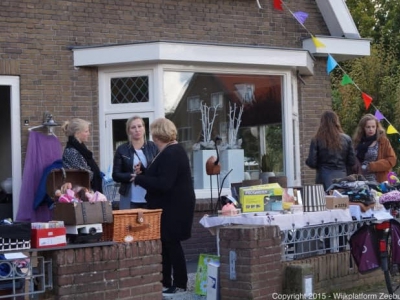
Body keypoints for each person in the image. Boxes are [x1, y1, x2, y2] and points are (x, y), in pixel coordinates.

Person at [133, 118, 195, 297]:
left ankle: (180, 283)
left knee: (171, 242)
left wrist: (139, 179)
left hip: (175, 206)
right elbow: (162, 176)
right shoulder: (170, 151)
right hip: (171, 204)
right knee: (166, 243)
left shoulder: (171, 152)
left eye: (153, 132)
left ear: (158, 134)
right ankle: (166, 281)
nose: (151, 135)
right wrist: (144, 172)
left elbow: (164, 183)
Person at [112, 116, 158, 209]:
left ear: (144, 128)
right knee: (128, 223)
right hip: (129, 197)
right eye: (133, 127)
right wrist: (131, 175)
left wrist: (144, 171)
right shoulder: (122, 149)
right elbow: (115, 175)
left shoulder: (153, 147)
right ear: (129, 131)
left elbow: (159, 170)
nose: (137, 130)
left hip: (150, 196)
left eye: (139, 126)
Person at [306, 111, 356, 191]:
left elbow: (312, 163)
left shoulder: (316, 139)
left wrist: (307, 161)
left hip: (323, 177)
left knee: (325, 201)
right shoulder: (346, 139)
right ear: (336, 122)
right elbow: (352, 161)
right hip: (342, 176)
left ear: (322, 123)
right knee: (341, 202)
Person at [62, 118, 103, 193]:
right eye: (86, 131)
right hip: (81, 194)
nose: (89, 133)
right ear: (77, 133)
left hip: (88, 191)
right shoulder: (71, 151)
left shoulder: (81, 148)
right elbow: (84, 175)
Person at [353, 113, 396, 182]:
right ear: (363, 128)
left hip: (378, 180)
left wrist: (372, 166)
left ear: (377, 127)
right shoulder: (358, 141)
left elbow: (391, 160)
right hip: (360, 180)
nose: (371, 129)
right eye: (368, 127)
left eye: (373, 127)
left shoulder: (382, 141)